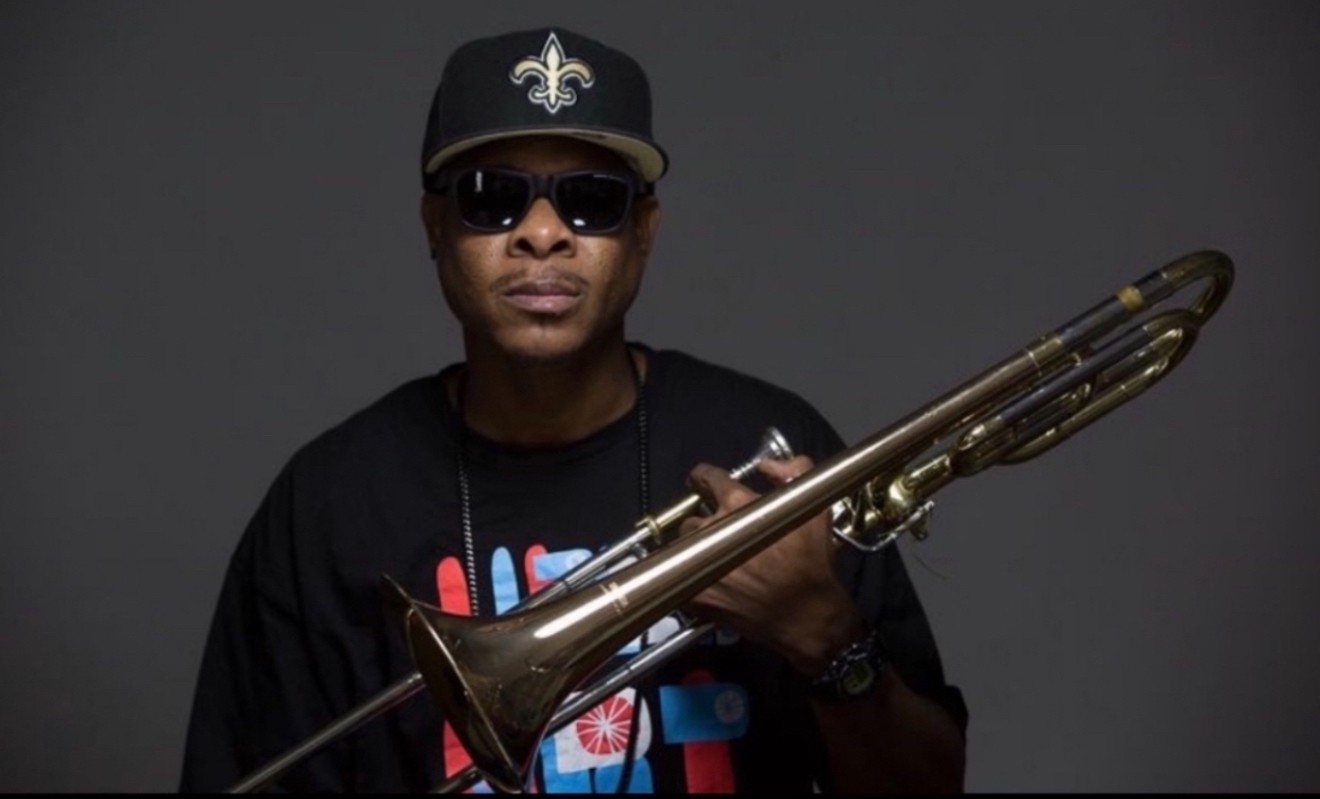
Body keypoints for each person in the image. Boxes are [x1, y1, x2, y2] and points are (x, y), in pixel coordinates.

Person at [179, 26, 967, 794]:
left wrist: (824, 635)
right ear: (434, 227)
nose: (543, 233)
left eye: (592, 200)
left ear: (644, 233)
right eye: (492, 198)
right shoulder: (329, 503)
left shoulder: (773, 453)